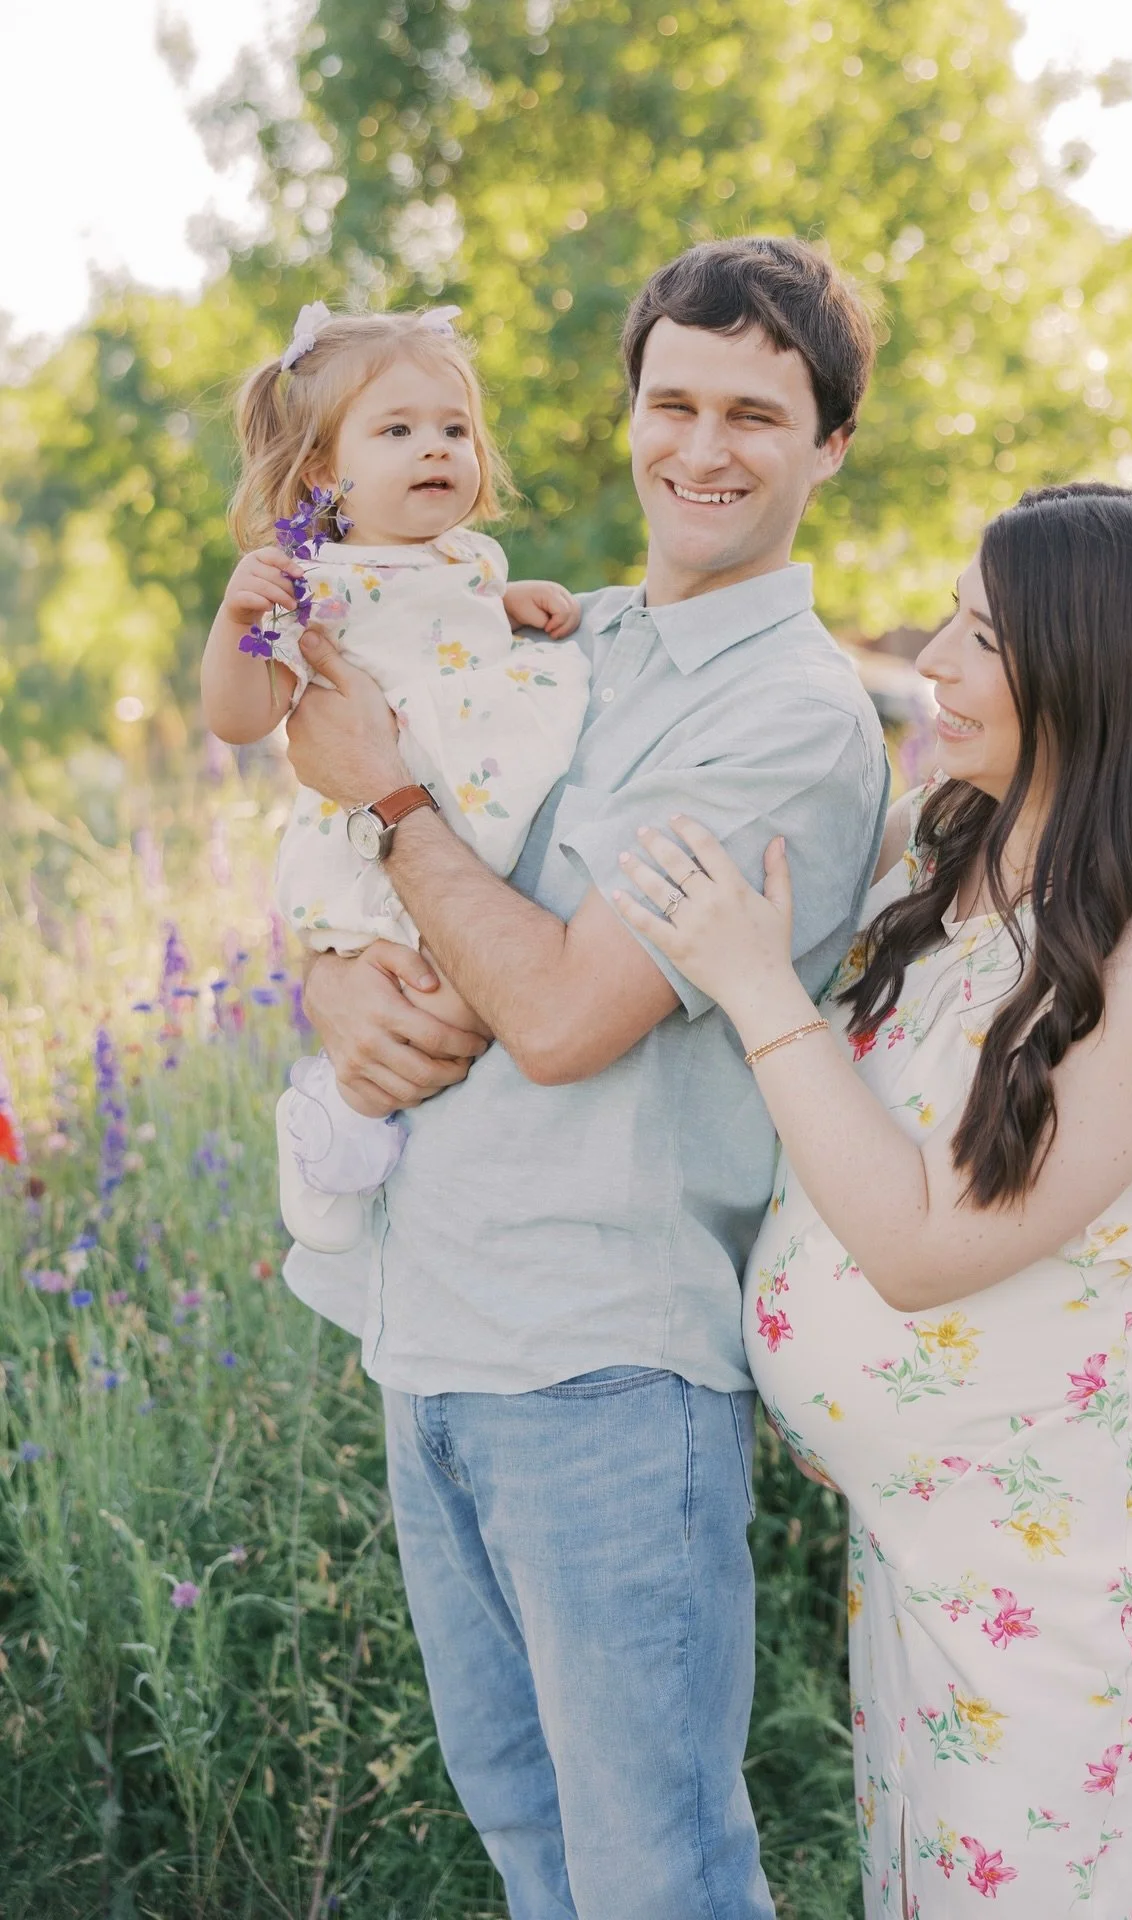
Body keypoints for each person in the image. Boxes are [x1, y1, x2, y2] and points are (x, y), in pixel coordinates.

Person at [613, 483, 1132, 1916]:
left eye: (983, 637)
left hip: (1084, 1553)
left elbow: (927, 1250)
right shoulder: (961, 840)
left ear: (1101, 664)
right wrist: (553, 633)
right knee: (939, 1879)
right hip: (940, 1531)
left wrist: (761, 982)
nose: (935, 663)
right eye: (949, 620)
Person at [282, 238, 890, 1919]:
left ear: (830, 444)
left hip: (608, 1377)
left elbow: (554, 1014)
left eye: (756, 414)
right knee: (535, 1858)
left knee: (654, 1882)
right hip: (434, 1338)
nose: (702, 447)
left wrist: (398, 808)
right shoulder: (533, 631)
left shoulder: (788, 719)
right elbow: (327, 837)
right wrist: (331, 985)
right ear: (627, 412)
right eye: (672, 401)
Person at [201, 303, 587, 1260]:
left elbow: (446, 618)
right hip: (388, 840)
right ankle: (331, 1121)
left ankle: (365, 1131)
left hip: (470, 820)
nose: (437, 449)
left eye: (455, 429)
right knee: (420, 991)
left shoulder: (469, 559)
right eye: (399, 430)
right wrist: (233, 622)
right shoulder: (311, 581)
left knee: (470, 980)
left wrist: (507, 603)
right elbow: (242, 717)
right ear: (329, 472)